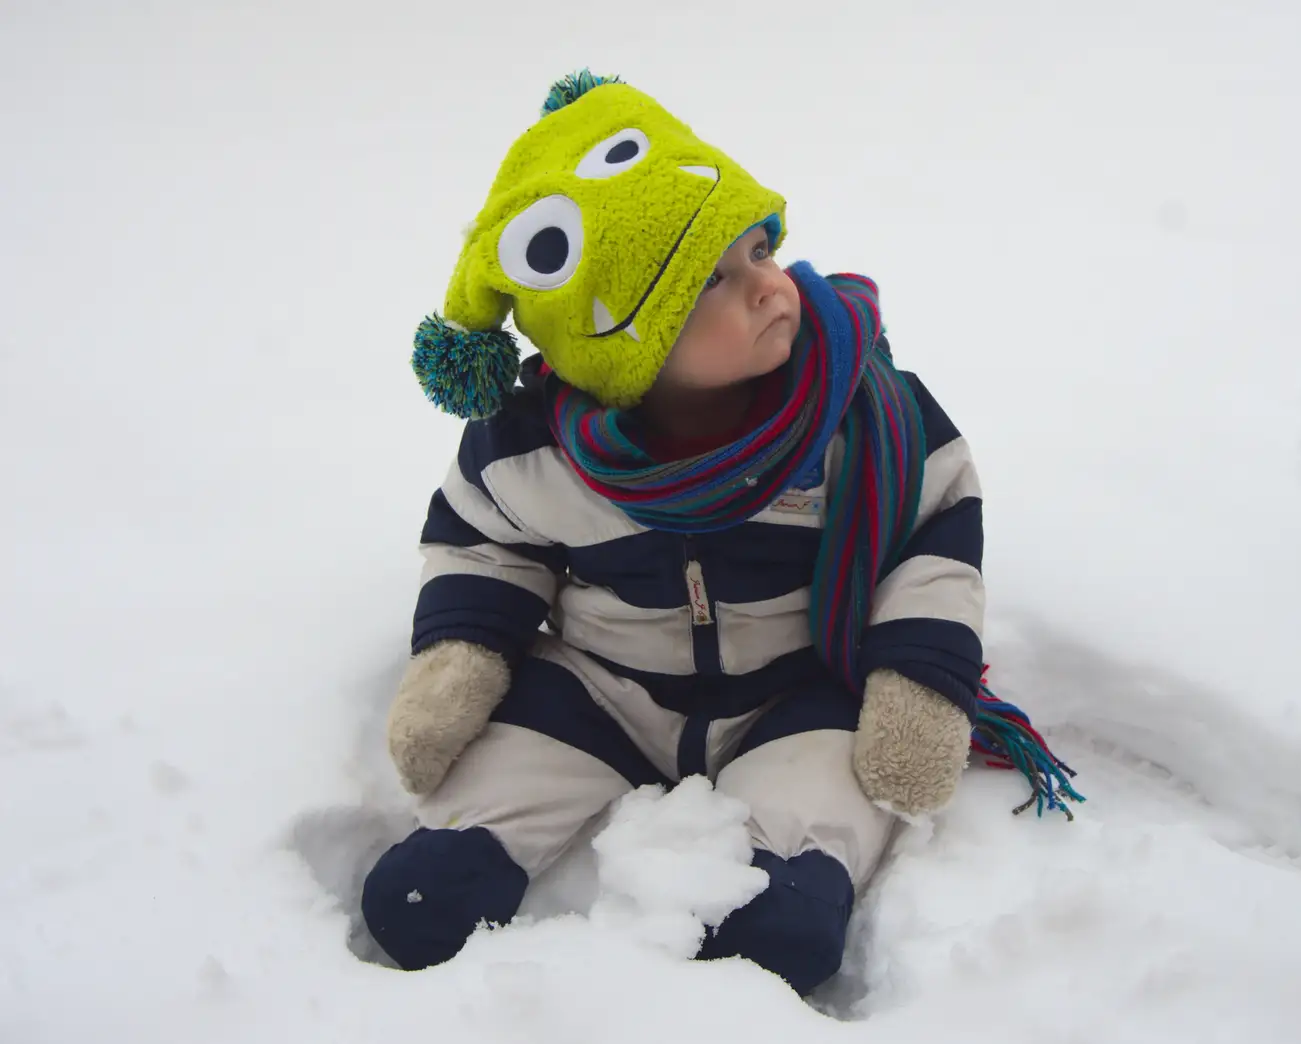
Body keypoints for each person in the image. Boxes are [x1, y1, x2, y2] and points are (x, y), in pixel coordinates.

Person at [360, 70, 1025, 996]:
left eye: (759, 248)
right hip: (603, 689)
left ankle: (789, 876)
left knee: (812, 816)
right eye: (717, 280)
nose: (771, 286)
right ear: (621, 347)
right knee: (436, 876)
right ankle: (468, 849)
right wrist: (460, 653)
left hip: (792, 688)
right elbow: (482, 541)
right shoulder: (533, 448)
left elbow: (934, 530)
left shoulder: (857, 416)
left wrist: (918, 677)